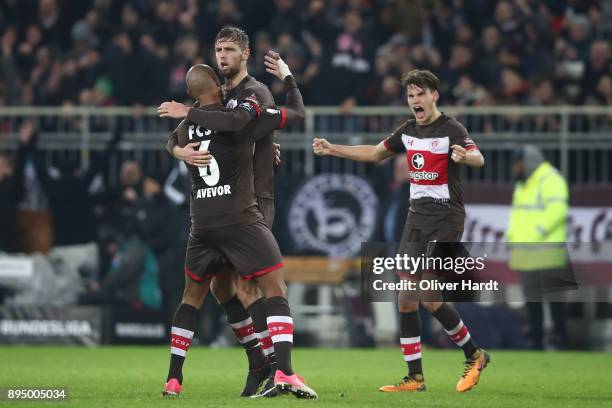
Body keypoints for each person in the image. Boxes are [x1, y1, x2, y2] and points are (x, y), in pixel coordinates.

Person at [313, 69, 489, 392]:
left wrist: (467, 157)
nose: (415, 101)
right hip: (416, 219)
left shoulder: (451, 128)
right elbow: (376, 153)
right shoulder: (408, 131)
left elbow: (478, 156)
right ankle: (415, 377)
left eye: (420, 94)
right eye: (410, 96)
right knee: (407, 298)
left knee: (427, 293)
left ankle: (474, 355)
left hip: (446, 218)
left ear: (435, 95)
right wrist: (333, 148)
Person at [159, 59, 317, 399]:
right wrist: (289, 79)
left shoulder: (213, 112)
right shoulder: (236, 117)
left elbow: (172, 139)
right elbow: (248, 121)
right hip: (241, 215)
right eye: (219, 49)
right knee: (265, 287)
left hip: (201, 223)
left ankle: (177, 377)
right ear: (216, 82)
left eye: (229, 49)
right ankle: (279, 369)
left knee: (216, 293)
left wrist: (179, 149)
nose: (223, 55)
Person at [507, 145, 570, 350]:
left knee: (554, 302)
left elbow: (558, 210)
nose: (515, 168)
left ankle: (561, 340)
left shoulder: (550, 179)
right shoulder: (524, 184)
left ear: (527, 163)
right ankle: (536, 342)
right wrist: (512, 238)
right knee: (533, 303)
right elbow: (517, 216)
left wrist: (537, 232)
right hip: (527, 255)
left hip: (547, 252)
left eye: (517, 163)